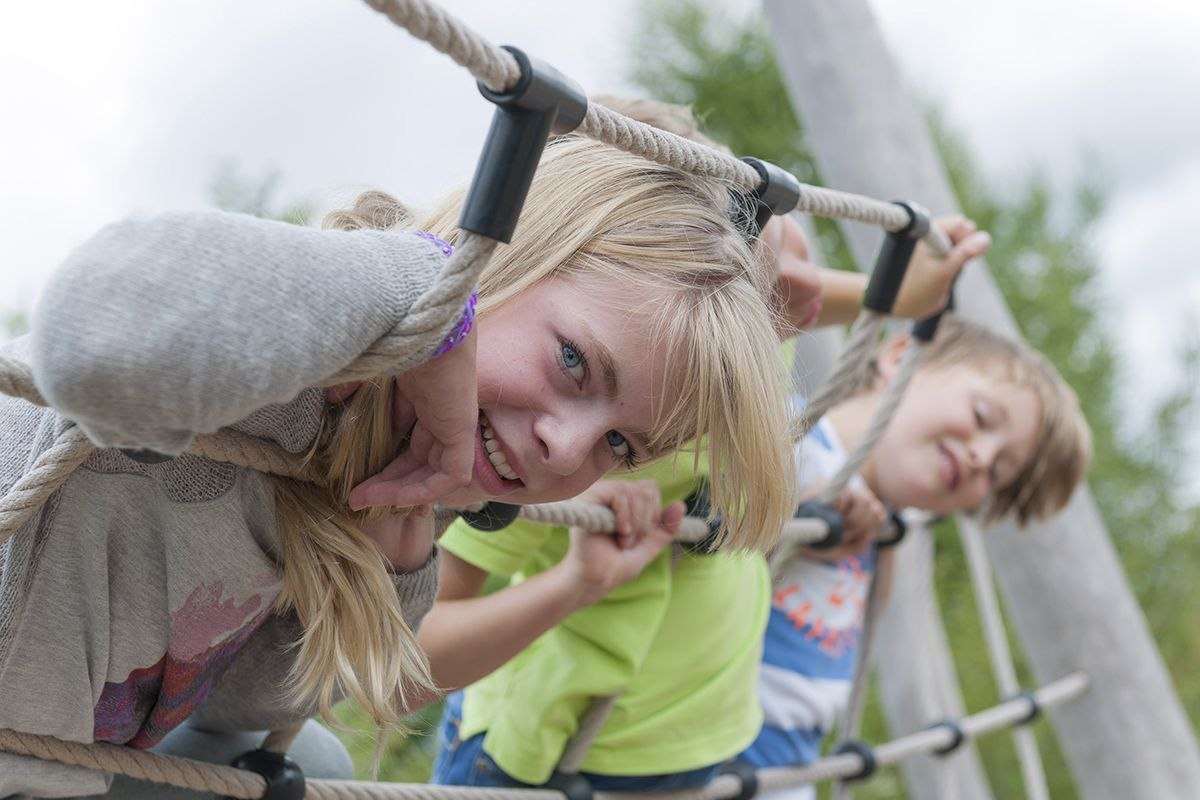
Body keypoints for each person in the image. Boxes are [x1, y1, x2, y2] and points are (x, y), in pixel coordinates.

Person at [0, 136, 802, 797]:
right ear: (500, 260)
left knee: (303, 766)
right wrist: (431, 305)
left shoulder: (423, 461)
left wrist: (396, 563)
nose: (570, 447)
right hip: (28, 715)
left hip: (66, 735)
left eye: (621, 445)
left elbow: (237, 698)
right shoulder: (294, 356)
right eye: (573, 362)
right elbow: (91, 333)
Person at [426, 98, 993, 792]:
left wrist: (895, 295)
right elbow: (419, 648)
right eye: (573, 360)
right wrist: (574, 582)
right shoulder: (516, 447)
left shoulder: (728, 362)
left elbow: (793, 289)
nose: (571, 450)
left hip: (697, 748)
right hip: (558, 759)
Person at [739, 314, 1092, 800]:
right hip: (702, 750)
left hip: (787, 775)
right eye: (982, 418)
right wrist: (802, 518)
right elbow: (701, 540)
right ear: (901, 358)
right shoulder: (785, 436)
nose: (981, 458)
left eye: (997, 475)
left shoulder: (881, 544)